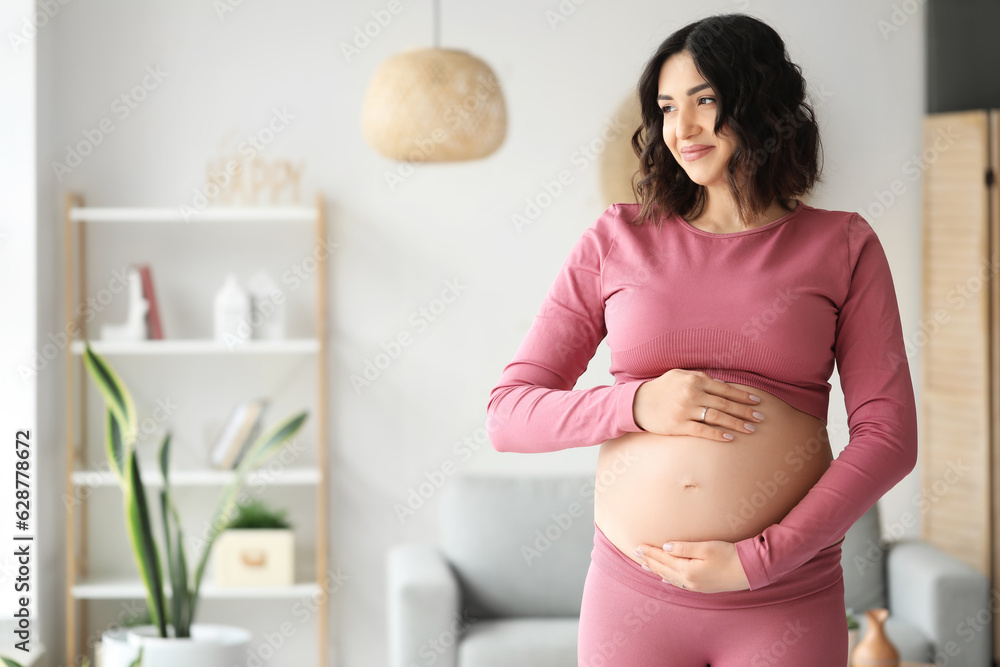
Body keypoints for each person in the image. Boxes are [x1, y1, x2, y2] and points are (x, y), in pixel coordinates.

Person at [486, 12, 917, 667]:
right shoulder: (617, 238)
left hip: (783, 595)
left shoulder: (843, 244)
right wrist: (635, 404)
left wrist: (760, 559)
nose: (680, 129)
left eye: (704, 101)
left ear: (762, 104)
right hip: (631, 596)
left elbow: (890, 436)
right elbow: (507, 414)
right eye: (665, 108)